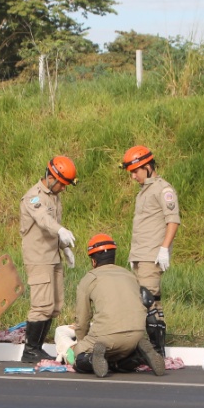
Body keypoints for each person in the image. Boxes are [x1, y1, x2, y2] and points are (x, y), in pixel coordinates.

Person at [71, 234, 166, 378]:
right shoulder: (130, 275)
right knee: (120, 358)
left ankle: (92, 359)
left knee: (77, 355)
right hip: (136, 334)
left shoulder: (89, 279)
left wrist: (82, 343)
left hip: (106, 337)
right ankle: (139, 356)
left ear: (93, 261)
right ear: (113, 257)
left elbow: (82, 319)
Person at [121, 145, 180, 356]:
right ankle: (152, 349)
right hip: (140, 255)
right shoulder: (145, 191)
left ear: (147, 167)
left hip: (151, 255)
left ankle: (156, 352)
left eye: (135, 171)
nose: (133, 176)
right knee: (148, 302)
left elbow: (172, 221)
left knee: (149, 301)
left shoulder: (164, 190)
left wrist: (164, 249)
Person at [19, 155, 78, 363]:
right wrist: (61, 230)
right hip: (38, 257)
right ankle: (30, 349)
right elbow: (44, 220)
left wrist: (64, 248)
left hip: (52, 255)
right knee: (41, 305)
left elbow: (54, 225)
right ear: (51, 177)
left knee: (54, 305)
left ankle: (38, 347)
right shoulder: (33, 197)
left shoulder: (54, 196)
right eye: (62, 183)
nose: (63, 188)